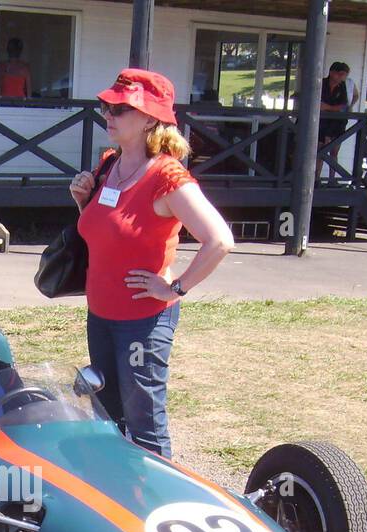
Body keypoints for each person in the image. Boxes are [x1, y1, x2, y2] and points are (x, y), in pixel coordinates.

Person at [68, 69, 234, 458]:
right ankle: (115, 496)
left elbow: (220, 240)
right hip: (102, 313)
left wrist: (175, 288)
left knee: (145, 422)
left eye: (121, 109)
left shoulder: (167, 177)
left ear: (149, 119)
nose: (109, 115)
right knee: (106, 414)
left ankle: (153, 500)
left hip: (143, 321)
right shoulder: (109, 165)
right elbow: (106, 230)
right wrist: (82, 200)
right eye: (107, 107)